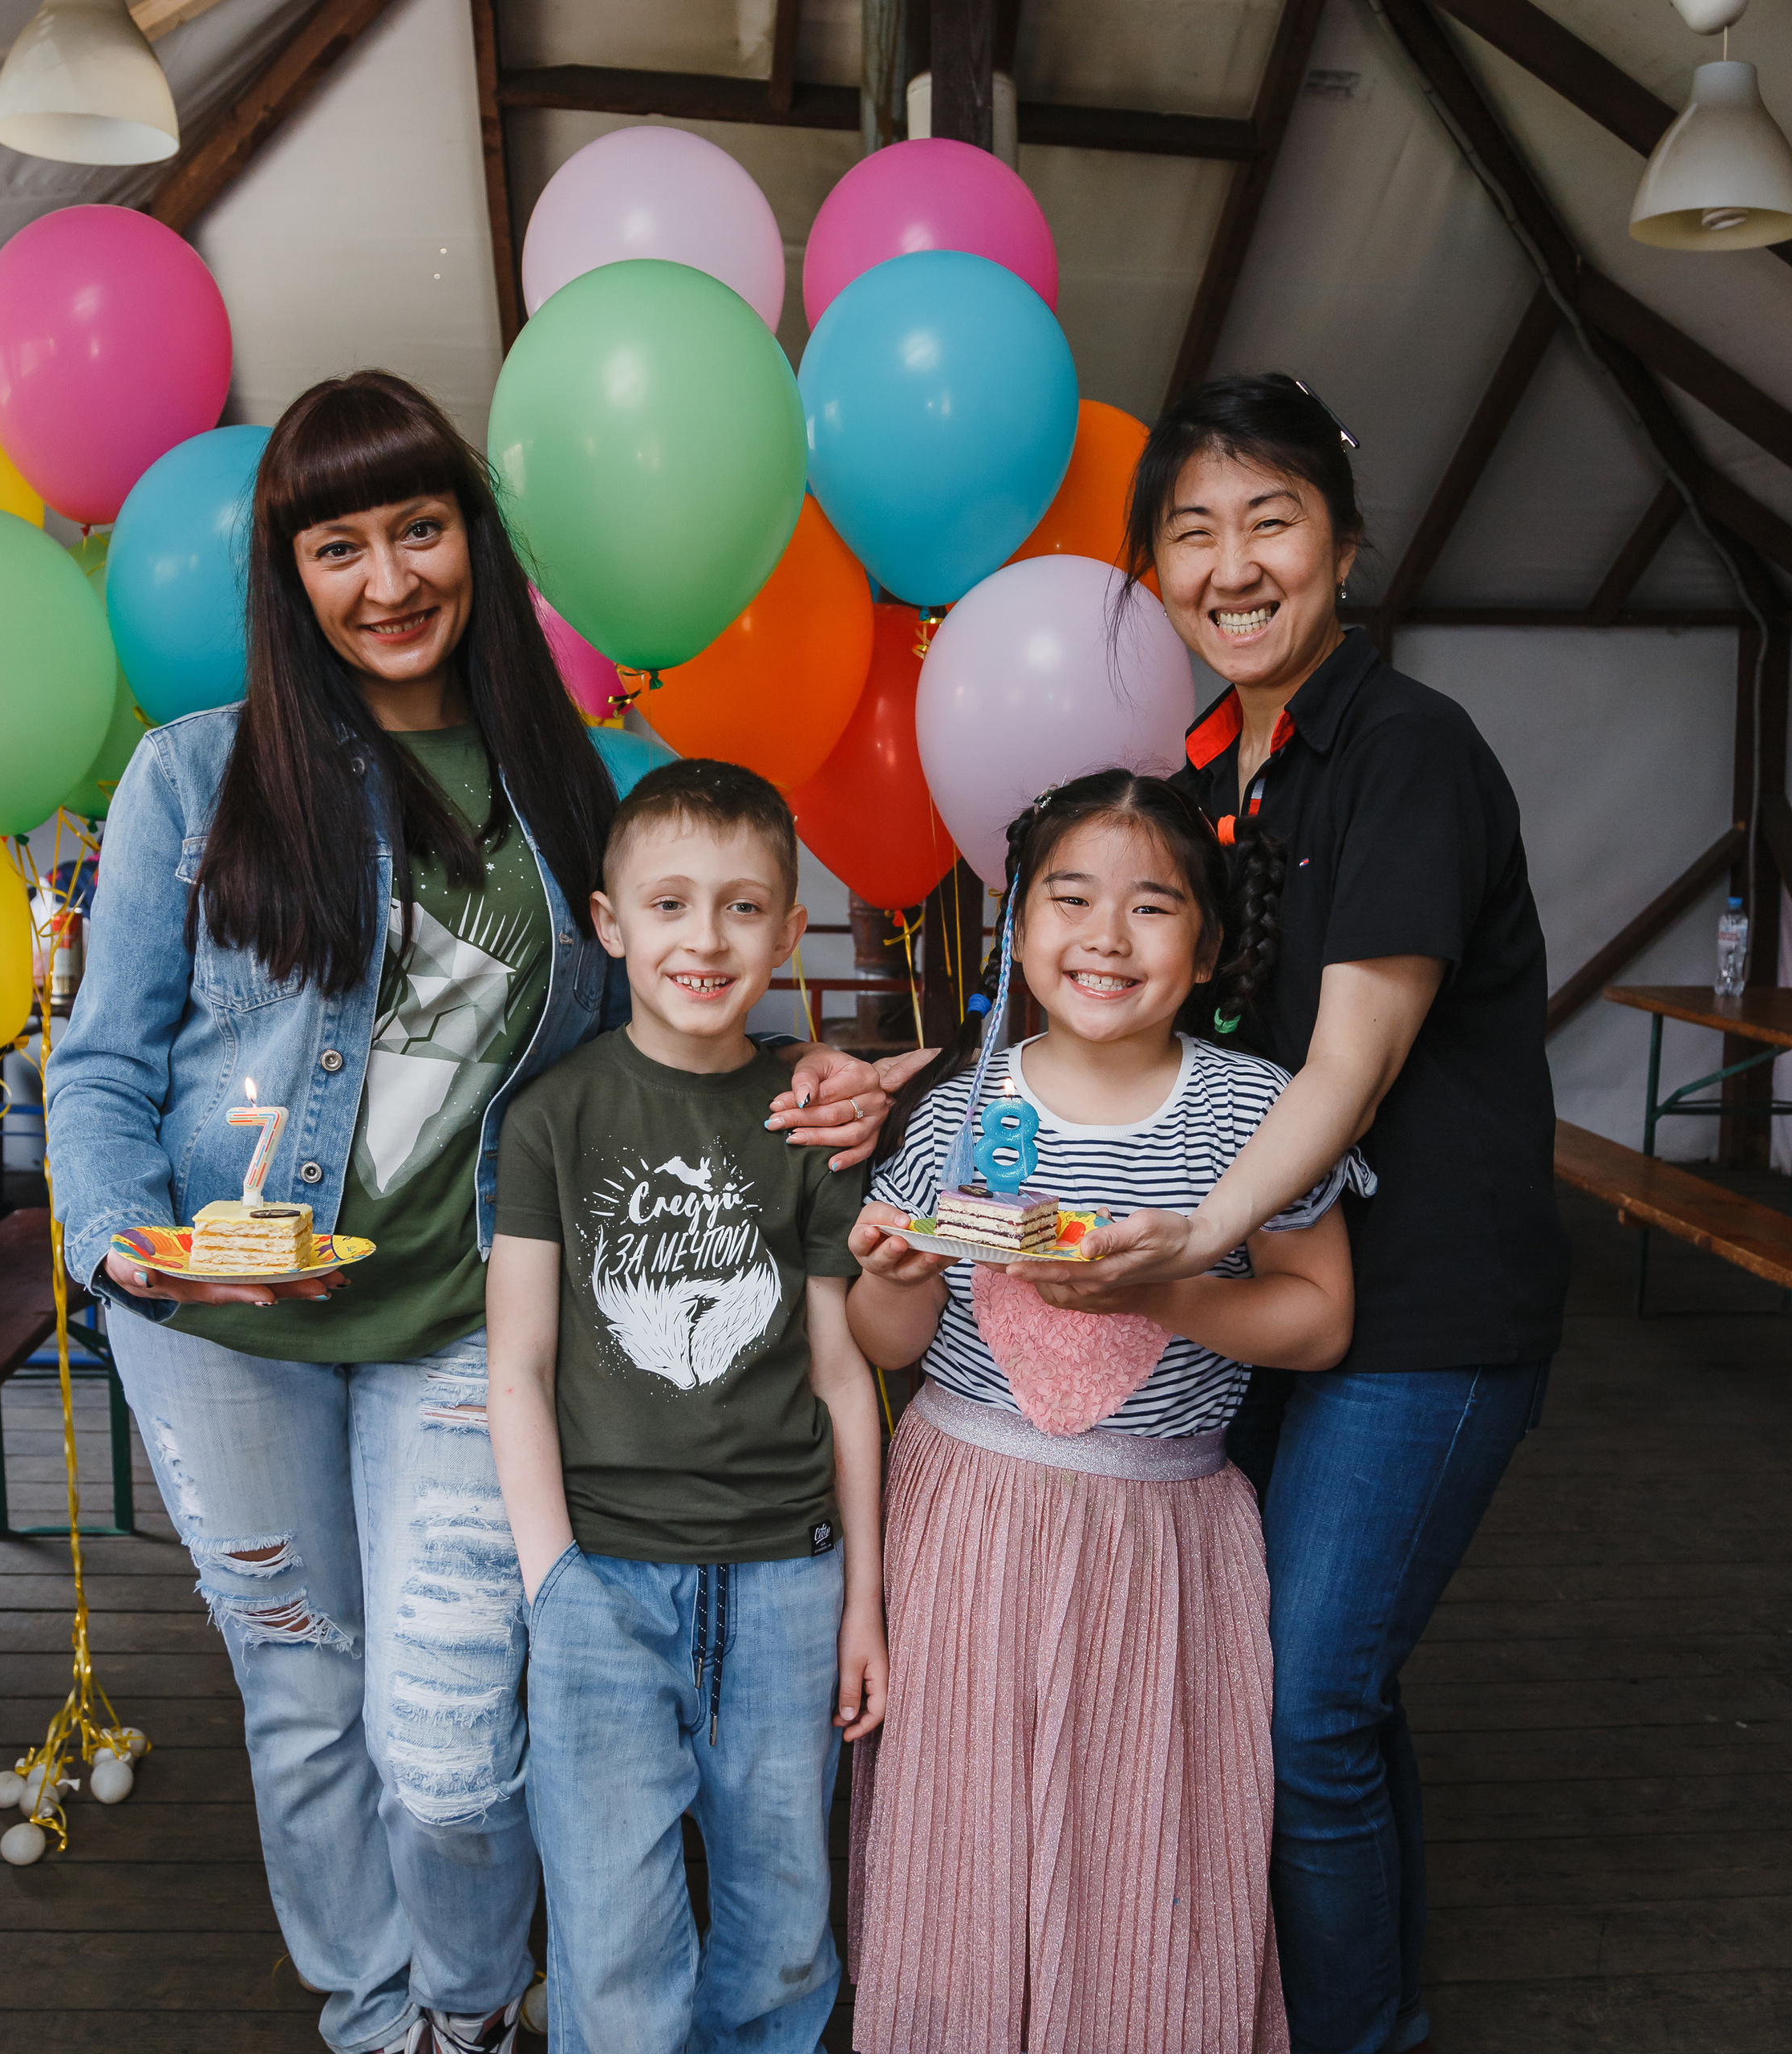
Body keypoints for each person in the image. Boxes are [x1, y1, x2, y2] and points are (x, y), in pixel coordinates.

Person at [45, 372, 903, 2054]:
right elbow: (97, 1067)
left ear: (472, 539)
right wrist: (118, 1234)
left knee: (445, 1739)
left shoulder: (565, 790)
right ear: (287, 575)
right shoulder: (191, 779)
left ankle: (464, 1997)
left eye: (418, 528)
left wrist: (825, 1075)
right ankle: (381, 2021)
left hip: (460, 1324)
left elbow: (660, 1019)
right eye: (338, 544)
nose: (386, 580)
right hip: (219, 1327)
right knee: (303, 1703)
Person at [1021, 375, 1567, 2054]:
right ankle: (1369, 2003)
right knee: (1330, 1697)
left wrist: (1177, 1242)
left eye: (1268, 518)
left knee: (1300, 1702)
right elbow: (1141, 1003)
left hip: (1423, 1310)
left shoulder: (1404, 749)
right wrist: (918, 1074)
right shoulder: (1214, 763)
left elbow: (1340, 1070)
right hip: (1289, 1287)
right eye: (1190, 530)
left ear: (1340, 539)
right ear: (1152, 570)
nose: (1231, 562)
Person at [845, 769, 1362, 2054]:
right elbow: (886, 1343)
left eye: (1152, 906)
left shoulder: (1256, 1110)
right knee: (965, 1818)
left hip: (1163, 1534)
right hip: (965, 1516)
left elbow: (1321, 1315)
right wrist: (887, 1276)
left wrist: (1169, 1295)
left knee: (1145, 1833)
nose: (1107, 938)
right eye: (1071, 900)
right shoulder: (961, 1108)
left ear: (1208, 942)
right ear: (1019, 928)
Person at [485, 759, 887, 2054]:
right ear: (610, 926)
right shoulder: (553, 1118)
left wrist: (865, 1594)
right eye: (667, 905)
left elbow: (843, 1374)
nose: (702, 939)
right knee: (611, 1933)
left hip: (784, 1580)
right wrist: (554, 1582)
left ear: (786, 928)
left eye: (739, 907)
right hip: (602, 1576)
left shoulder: (811, 1124)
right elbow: (518, 1366)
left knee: (780, 1930)